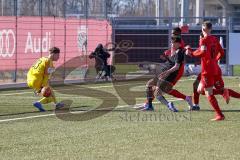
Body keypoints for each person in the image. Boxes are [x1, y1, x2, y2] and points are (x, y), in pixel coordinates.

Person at [140, 36, 192, 111]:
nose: (171, 44)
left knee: (157, 93)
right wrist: (166, 58)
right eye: (171, 42)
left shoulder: (179, 52)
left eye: (173, 43)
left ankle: (169, 105)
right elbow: (171, 62)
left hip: (169, 76)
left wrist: (166, 72)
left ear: (178, 44)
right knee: (149, 84)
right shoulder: (175, 51)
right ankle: (149, 106)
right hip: (164, 73)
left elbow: (176, 66)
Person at [189, 21, 225, 121]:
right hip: (214, 68)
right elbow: (222, 52)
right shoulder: (214, 39)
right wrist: (215, 60)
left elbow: (202, 53)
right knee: (199, 90)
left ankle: (219, 115)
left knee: (208, 93)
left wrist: (191, 53)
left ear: (203, 29)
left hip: (207, 70)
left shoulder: (203, 40)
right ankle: (223, 92)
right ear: (211, 28)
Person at [27, 47, 63, 112]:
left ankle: (56, 104)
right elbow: (46, 74)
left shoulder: (42, 59)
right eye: (58, 55)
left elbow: (32, 69)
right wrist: (42, 86)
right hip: (37, 80)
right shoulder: (48, 61)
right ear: (53, 54)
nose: (58, 57)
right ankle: (38, 103)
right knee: (49, 95)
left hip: (30, 78)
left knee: (51, 91)